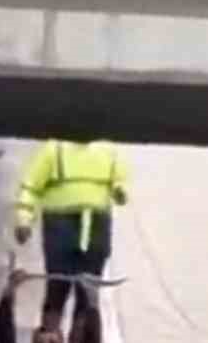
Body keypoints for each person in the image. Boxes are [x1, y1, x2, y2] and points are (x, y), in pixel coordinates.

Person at [14, 138, 128, 323]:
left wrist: (119, 190)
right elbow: (30, 187)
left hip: (95, 225)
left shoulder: (107, 150)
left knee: (89, 295)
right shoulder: (53, 149)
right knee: (57, 288)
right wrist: (23, 220)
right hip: (60, 225)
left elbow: (120, 180)